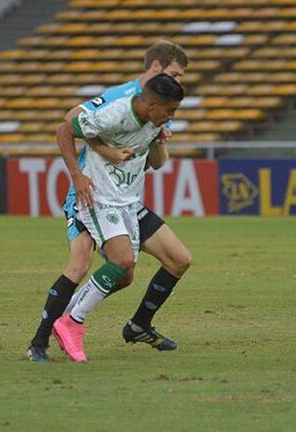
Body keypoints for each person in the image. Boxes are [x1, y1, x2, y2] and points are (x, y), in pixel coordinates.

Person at [25, 41, 191, 363]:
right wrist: (98, 159)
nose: (179, 81)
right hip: (91, 192)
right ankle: (41, 341)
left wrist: (157, 142)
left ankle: (138, 325)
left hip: (127, 199)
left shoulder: (160, 112)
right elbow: (71, 122)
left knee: (162, 263)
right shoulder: (121, 100)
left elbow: (154, 162)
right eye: (175, 74)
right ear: (156, 68)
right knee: (83, 265)